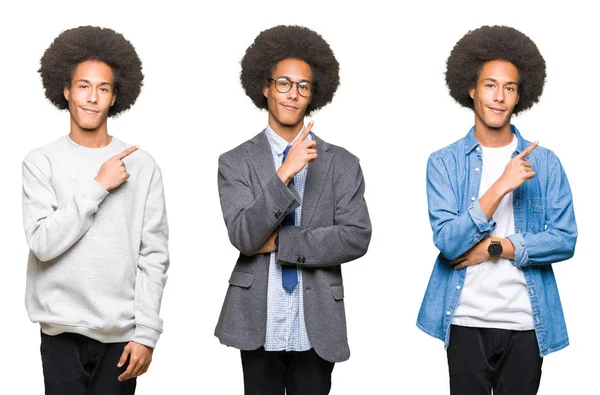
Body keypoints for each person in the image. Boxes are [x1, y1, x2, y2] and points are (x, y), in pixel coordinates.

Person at [416, 25, 578, 394]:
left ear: (520, 95)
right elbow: (448, 242)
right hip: (465, 318)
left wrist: (496, 247)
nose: (499, 97)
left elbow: (565, 239)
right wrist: (500, 185)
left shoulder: (547, 163)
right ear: (471, 89)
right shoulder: (443, 163)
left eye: (510, 88)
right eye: (490, 85)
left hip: (527, 322)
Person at [215, 25, 371, 395]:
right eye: (283, 83)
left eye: (303, 86)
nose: (292, 94)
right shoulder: (234, 162)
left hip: (316, 320)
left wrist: (282, 243)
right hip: (258, 320)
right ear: (265, 86)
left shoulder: (342, 163)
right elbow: (243, 237)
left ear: (313, 94)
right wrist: (285, 171)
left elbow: (356, 236)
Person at [22, 25, 169, 395]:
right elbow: (42, 242)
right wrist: (98, 185)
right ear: (66, 90)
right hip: (60, 331)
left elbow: (154, 255)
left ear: (115, 97)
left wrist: (147, 333)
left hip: (122, 336)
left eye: (102, 89)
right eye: (83, 86)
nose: (91, 98)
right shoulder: (41, 162)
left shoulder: (142, 165)